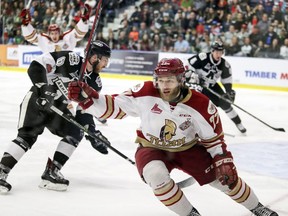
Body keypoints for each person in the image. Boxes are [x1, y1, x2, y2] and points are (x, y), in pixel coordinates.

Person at [67, 58, 278, 216]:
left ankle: (257, 208)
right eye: (161, 80)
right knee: (156, 176)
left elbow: (214, 141)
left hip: (188, 148)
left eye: (170, 80)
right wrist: (87, 99)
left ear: (181, 80)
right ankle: (190, 214)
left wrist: (223, 160)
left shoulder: (201, 104)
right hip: (151, 146)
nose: (164, 85)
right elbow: (114, 108)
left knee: (226, 180)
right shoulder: (145, 91)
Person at [0, 40, 111, 194]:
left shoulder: (94, 82)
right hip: (38, 98)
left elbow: (84, 109)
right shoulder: (70, 59)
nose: (106, 64)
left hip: (58, 106)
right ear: (94, 57)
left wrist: (92, 132)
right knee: (27, 136)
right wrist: (43, 88)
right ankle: (1, 172)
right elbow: (36, 65)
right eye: (105, 60)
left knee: (75, 132)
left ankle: (51, 172)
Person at [186, 40, 247, 133]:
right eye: (217, 52)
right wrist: (193, 75)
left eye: (221, 52)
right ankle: (191, 125)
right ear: (212, 51)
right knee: (195, 104)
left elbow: (227, 80)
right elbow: (188, 65)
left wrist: (229, 91)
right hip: (197, 85)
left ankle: (238, 123)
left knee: (225, 103)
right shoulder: (203, 57)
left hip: (212, 86)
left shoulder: (224, 64)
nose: (219, 54)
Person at [19, 4, 91, 52]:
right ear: (49, 34)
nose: (54, 35)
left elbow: (79, 33)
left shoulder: (67, 37)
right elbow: (30, 37)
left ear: (59, 33)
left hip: (66, 70)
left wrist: (84, 20)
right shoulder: (44, 39)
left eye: (56, 33)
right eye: (52, 33)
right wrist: (25, 23)